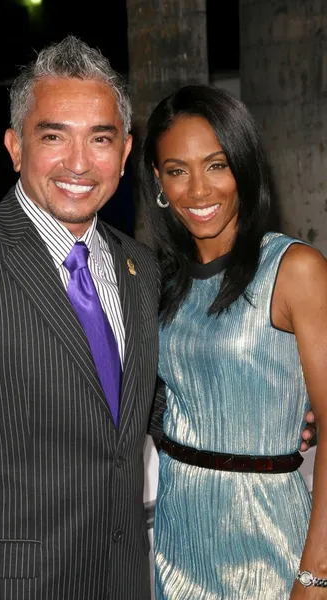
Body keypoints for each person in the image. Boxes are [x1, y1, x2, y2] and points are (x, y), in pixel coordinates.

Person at [0, 36, 163, 599]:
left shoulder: (142, 269)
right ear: (14, 147)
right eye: (54, 136)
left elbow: (142, 408)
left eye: (100, 139)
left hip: (122, 579)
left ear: (125, 152)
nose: (79, 163)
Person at [139, 84, 327, 599]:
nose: (198, 191)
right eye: (177, 171)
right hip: (178, 539)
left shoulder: (294, 270)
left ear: (244, 166)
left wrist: (316, 576)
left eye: (217, 165)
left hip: (267, 540)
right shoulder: (159, 282)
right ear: (158, 180)